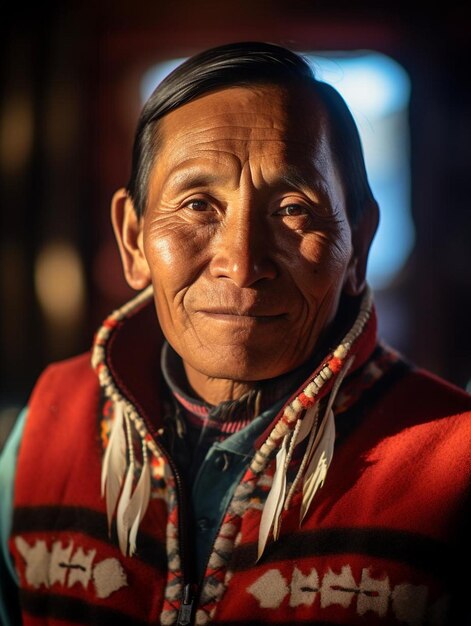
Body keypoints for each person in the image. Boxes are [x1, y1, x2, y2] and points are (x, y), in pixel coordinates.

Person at [0, 41, 470, 626]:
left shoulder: (455, 463)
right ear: (132, 240)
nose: (243, 263)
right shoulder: (48, 425)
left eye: (294, 208)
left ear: (359, 245)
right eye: (198, 204)